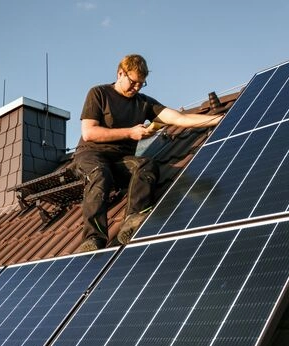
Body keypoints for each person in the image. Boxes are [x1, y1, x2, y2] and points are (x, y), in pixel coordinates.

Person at [75, 54, 223, 252]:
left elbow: (177, 118)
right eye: (133, 82)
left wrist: (218, 120)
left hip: (120, 160)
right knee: (100, 173)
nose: (136, 87)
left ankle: (132, 220)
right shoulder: (99, 93)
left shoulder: (143, 103)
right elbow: (89, 132)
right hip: (91, 154)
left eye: (141, 84)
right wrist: (130, 132)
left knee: (146, 165)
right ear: (121, 73)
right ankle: (93, 238)